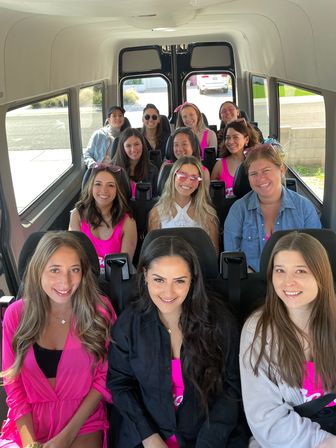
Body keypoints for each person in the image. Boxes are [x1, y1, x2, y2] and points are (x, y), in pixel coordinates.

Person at [107, 235, 248, 448]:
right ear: (145, 275)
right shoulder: (128, 324)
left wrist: (208, 442)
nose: (168, 292)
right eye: (159, 280)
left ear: (192, 279)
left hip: (210, 434)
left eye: (179, 281)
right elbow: (120, 384)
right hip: (147, 435)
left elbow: (232, 386)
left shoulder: (220, 321)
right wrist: (149, 436)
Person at [0, 231, 116, 448]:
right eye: (55, 270)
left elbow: (103, 379)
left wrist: (66, 437)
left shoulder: (99, 312)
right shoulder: (16, 315)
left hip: (83, 419)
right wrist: (31, 444)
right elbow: (13, 384)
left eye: (74, 270)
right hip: (29, 419)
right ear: (38, 271)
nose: (65, 281)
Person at [240, 231, 336, 448]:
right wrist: (325, 442)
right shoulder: (258, 330)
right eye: (280, 271)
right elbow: (265, 417)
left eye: (301, 271)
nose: (288, 282)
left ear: (321, 275)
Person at [224, 143, 321, 272]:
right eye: (253, 174)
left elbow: (315, 255)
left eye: (266, 171)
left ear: (281, 170)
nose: (260, 179)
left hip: (293, 282)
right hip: (251, 284)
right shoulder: (238, 210)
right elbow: (232, 256)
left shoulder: (304, 208)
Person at [69, 163, 137, 272]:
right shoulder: (76, 215)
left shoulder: (128, 222)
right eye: (98, 184)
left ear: (117, 190)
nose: (104, 190)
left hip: (116, 278)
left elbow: (124, 267)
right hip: (86, 277)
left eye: (110, 185)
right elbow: (74, 259)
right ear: (91, 187)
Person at [148, 156, 218, 254]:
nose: (188, 181)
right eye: (182, 175)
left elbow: (213, 255)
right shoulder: (156, 213)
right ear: (173, 176)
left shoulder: (208, 214)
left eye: (194, 177)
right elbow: (152, 252)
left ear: (199, 183)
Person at [211, 120, 259, 197]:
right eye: (228, 138)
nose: (230, 141)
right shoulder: (220, 165)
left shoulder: (256, 162)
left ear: (246, 139)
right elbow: (212, 195)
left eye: (235, 137)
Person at [112, 128, 158, 198]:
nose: (133, 149)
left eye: (136, 144)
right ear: (122, 148)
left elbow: (155, 200)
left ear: (142, 145)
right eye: (128, 146)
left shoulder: (153, 170)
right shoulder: (112, 170)